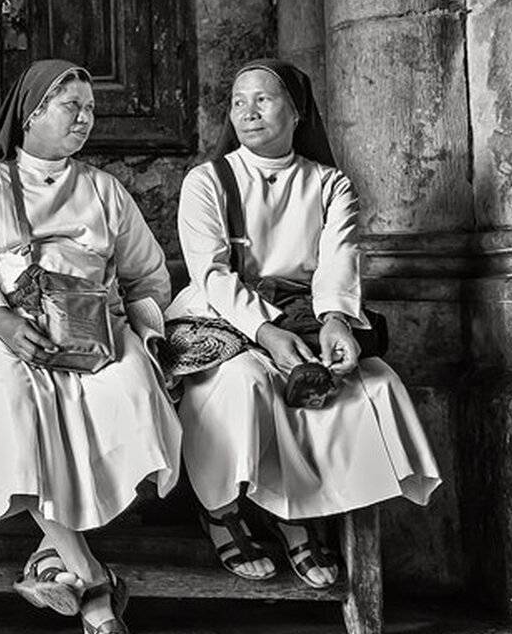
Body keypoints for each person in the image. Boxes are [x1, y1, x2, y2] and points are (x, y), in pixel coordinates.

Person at [0, 59, 182, 634]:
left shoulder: (104, 191)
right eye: (70, 105)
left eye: (90, 109)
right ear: (30, 113)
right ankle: (96, 588)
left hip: (92, 331)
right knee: (6, 399)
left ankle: (55, 559)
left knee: (130, 388)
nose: (85, 117)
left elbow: (148, 275)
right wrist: (1, 320)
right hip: (5, 330)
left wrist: (144, 335)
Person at [164, 59, 442, 587]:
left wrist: (336, 319)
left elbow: (339, 260)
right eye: (239, 101)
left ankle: (297, 513)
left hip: (306, 314)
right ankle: (222, 511)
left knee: (374, 386)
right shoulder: (208, 182)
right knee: (246, 381)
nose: (248, 111)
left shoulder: (331, 184)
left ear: (297, 113)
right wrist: (264, 330)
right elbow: (212, 274)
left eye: (264, 99)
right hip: (222, 314)